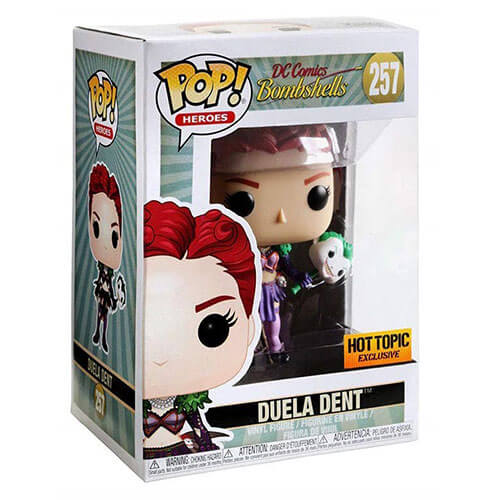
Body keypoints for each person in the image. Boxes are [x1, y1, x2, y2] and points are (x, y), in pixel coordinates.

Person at [211, 125, 340, 363]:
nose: (281, 217)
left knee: (273, 320)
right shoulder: (238, 248)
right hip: (245, 292)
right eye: (243, 201)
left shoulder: (279, 250)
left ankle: (275, 348)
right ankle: (245, 354)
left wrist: (300, 276)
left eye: (316, 195)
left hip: (270, 289)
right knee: (244, 321)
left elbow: (288, 266)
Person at [142, 200, 257, 458]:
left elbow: (199, 426)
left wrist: (205, 445)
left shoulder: (188, 404)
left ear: (249, 326)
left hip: (181, 450)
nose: (162, 356)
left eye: (213, 329)